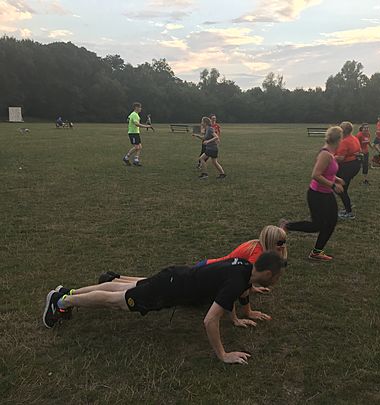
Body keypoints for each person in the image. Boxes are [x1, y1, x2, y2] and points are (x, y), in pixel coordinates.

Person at [42, 252, 285, 365]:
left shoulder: (243, 266)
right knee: (115, 301)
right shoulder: (237, 281)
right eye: (276, 277)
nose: (276, 281)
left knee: (119, 289)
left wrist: (236, 318)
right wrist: (223, 355)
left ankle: (67, 294)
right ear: (267, 273)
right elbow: (210, 320)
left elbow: (234, 292)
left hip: (174, 275)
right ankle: (61, 302)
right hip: (167, 290)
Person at [101, 225, 288, 295]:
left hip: (208, 267)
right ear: (270, 241)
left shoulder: (257, 245)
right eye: (280, 242)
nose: (283, 245)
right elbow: (246, 278)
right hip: (208, 271)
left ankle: (115, 278)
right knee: (152, 284)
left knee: (153, 282)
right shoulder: (258, 254)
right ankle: (113, 280)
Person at [280, 127, 344, 261]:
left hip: (326, 194)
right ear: (339, 139)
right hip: (317, 195)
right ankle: (287, 226)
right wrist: (333, 185)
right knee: (317, 225)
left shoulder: (330, 152)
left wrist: (336, 178)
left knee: (331, 222)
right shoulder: (325, 154)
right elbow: (315, 175)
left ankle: (316, 252)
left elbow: (327, 172)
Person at [334, 121, 361, 220]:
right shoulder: (353, 138)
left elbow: (340, 158)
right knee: (339, 187)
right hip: (353, 165)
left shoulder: (345, 141)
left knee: (341, 189)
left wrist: (328, 157)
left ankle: (349, 212)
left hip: (348, 167)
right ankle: (347, 204)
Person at [123, 102, 153, 166]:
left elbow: (127, 119)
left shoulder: (133, 114)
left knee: (140, 147)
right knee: (136, 147)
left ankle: (136, 160)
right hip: (133, 133)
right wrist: (146, 126)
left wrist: (130, 122)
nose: (140, 109)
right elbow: (137, 124)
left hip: (136, 133)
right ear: (136, 107)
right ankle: (126, 157)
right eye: (140, 107)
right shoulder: (135, 114)